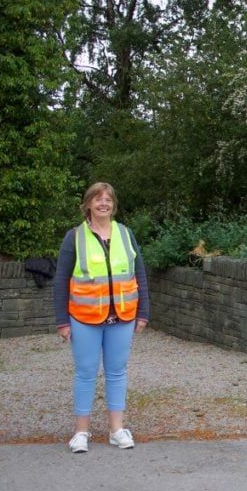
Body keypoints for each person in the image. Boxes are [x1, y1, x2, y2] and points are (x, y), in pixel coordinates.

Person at [54, 182, 150, 452]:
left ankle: (116, 429)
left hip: (122, 316)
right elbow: (61, 280)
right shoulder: (74, 237)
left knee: (117, 372)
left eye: (108, 199)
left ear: (113, 205)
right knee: (85, 373)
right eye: (98, 199)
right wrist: (62, 320)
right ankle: (81, 432)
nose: (103, 203)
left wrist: (143, 312)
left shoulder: (125, 234)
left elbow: (139, 274)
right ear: (88, 205)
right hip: (84, 318)